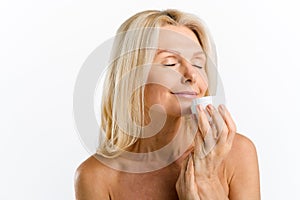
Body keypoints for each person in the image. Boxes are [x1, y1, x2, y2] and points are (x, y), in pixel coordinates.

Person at [74, 9, 260, 200]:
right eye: (170, 63)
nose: (192, 75)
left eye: (198, 64)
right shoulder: (95, 177)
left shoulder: (237, 153)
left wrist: (207, 182)